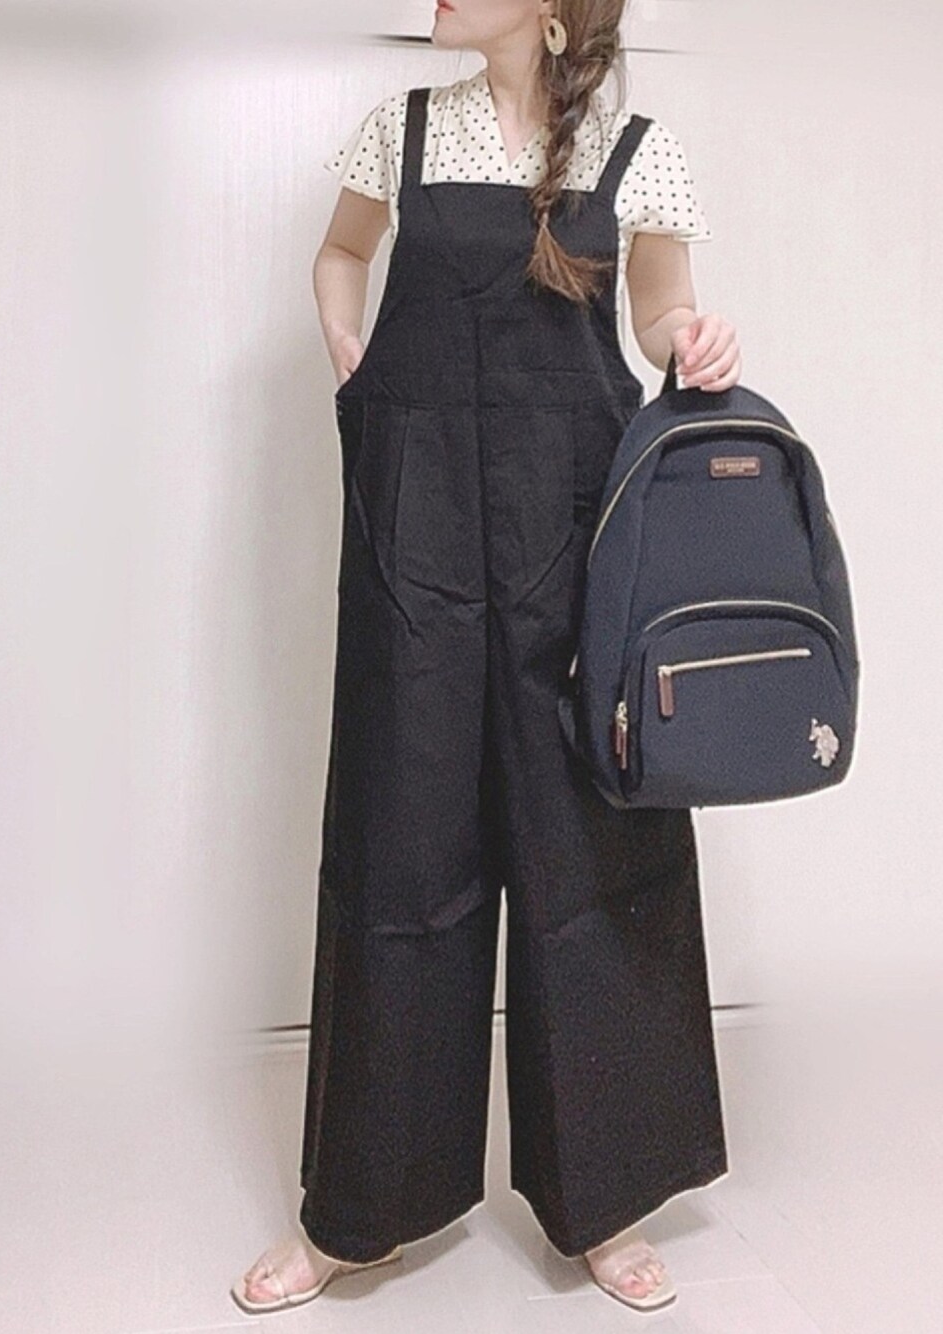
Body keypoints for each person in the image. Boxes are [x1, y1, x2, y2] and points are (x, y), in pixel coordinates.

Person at [233, 0, 741, 1317]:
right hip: (417, 551)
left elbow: (661, 310)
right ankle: (358, 1211)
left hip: (576, 554)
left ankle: (606, 1201)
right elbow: (342, 254)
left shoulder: (639, 150)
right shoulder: (399, 131)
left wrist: (692, 341)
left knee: (593, 859)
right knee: (399, 856)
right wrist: (353, 355)